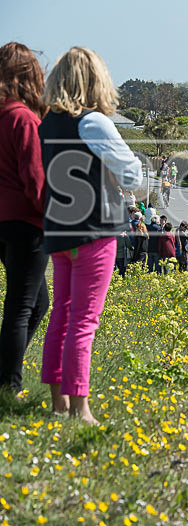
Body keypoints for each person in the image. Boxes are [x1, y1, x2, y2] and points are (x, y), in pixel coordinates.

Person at [39, 46, 143, 422]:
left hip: (59, 230)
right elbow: (133, 175)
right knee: (84, 320)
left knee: (61, 317)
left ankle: (58, 403)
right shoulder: (93, 122)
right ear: (96, 80)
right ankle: (80, 408)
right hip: (95, 229)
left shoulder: (46, 123)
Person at [0, 42, 50, 394]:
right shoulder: (23, 118)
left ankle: (5, 371)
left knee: (36, 303)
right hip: (25, 222)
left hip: (2, 219)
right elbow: (36, 182)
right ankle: (9, 385)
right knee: (21, 307)